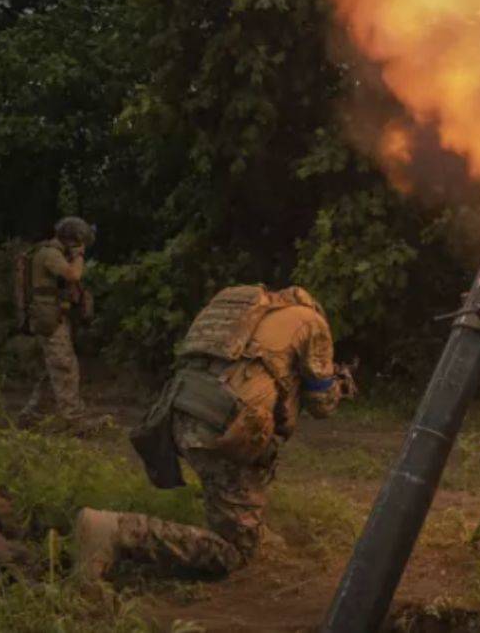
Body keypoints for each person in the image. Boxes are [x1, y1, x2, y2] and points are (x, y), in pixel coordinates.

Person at [73, 285, 358, 579]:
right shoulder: (312, 323)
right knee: (237, 554)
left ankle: (242, 527)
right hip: (224, 430)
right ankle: (118, 531)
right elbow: (322, 405)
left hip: (181, 414)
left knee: (233, 496)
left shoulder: (243, 311)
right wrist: (339, 385)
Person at [20, 216, 95, 427]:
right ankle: (74, 419)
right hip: (49, 319)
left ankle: (32, 415)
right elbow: (73, 275)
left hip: (52, 316)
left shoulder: (52, 252)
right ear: (73, 239)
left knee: (53, 368)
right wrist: (79, 255)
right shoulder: (50, 254)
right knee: (65, 367)